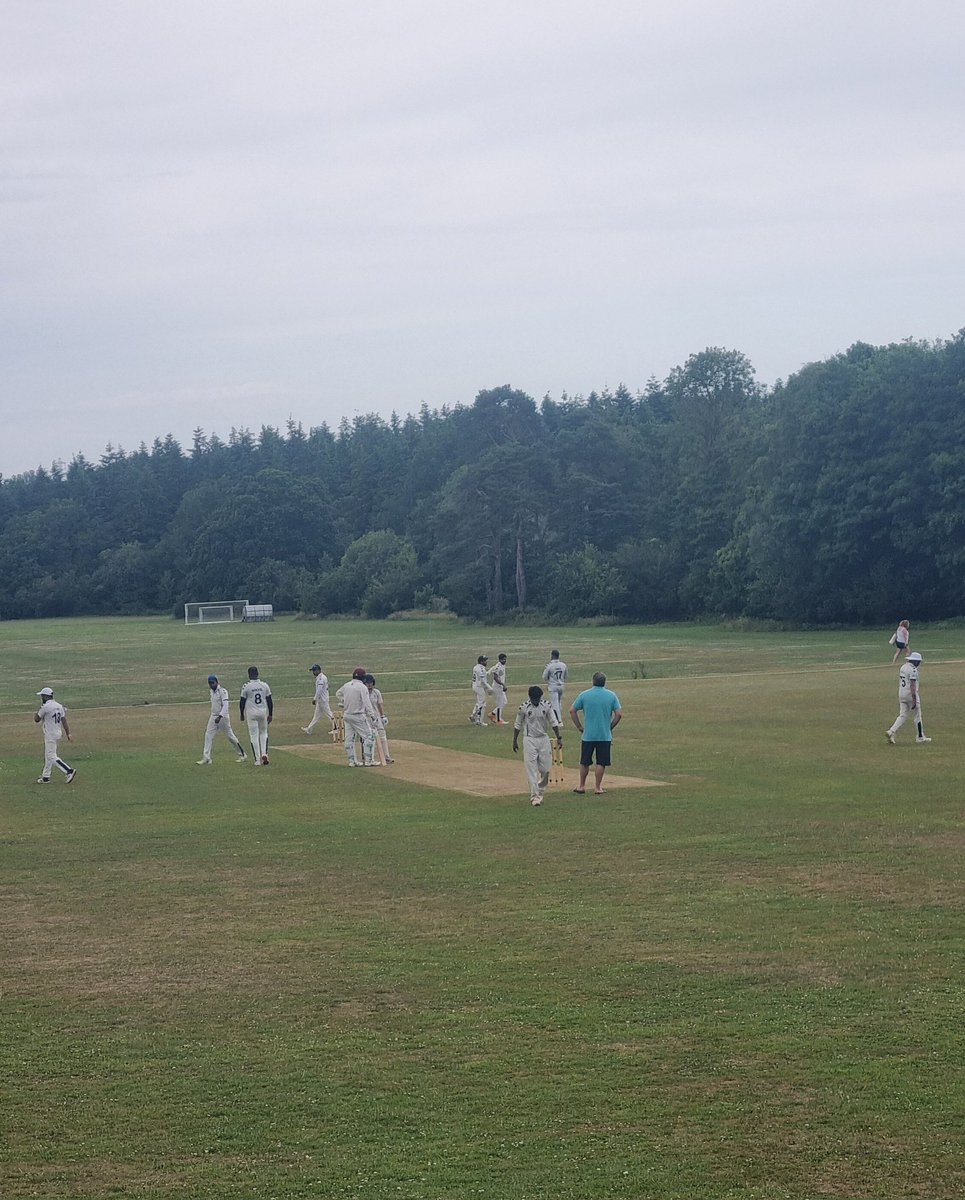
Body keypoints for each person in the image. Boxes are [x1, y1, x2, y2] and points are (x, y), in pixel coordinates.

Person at [569, 671, 622, 795]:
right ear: (604, 682)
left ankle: (581, 786)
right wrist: (610, 727)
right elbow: (619, 714)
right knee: (601, 762)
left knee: (585, 761)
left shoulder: (585, 695)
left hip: (588, 735)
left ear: (593, 681)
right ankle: (598, 787)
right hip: (604, 735)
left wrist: (579, 726)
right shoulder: (611, 695)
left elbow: (572, 710)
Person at [513, 684, 563, 806]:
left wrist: (558, 737)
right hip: (529, 740)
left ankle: (540, 790)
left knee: (546, 769)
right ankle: (534, 796)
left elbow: (553, 722)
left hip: (543, 739)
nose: (536, 701)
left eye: (538, 699)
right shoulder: (523, 708)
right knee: (531, 769)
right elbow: (518, 724)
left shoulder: (546, 705)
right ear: (530, 697)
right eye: (534, 699)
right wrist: (515, 740)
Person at [197, 674, 246, 764]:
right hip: (213, 716)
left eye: (213, 683)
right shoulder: (212, 692)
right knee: (208, 735)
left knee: (230, 736)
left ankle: (242, 754)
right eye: (210, 683)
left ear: (217, 682)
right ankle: (206, 757)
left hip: (223, 717)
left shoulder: (223, 691)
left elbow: (226, 705)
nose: (211, 685)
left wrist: (220, 716)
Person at [336, 667, 379, 766]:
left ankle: (352, 761)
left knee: (349, 739)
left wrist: (345, 701)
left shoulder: (346, 685)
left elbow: (338, 694)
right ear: (363, 678)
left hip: (347, 715)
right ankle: (369, 761)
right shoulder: (362, 687)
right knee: (370, 736)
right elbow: (366, 702)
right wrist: (372, 716)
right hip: (358, 716)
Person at [886, 651, 931, 744]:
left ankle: (891, 731)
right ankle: (920, 737)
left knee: (903, 715)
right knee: (917, 716)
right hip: (910, 694)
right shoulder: (913, 670)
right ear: (915, 661)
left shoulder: (903, 667)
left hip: (901, 694)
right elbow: (913, 685)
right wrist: (914, 698)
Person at [34, 686, 76, 784]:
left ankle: (69, 771)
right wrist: (68, 733)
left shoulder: (45, 707)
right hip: (58, 732)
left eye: (42, 696)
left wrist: (38, 710)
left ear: (45, 696)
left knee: (51, 755)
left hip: (50, 734)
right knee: (48, 755)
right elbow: (64, 720)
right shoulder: (59, 705)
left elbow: (36, 719)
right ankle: (46, 776)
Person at [239, 666, 273, 765]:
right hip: (262, 712)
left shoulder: (246, 686)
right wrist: (270, 714)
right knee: (264, 733)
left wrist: (241, 713)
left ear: (249, 675)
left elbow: (242, 701)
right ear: (258, 673)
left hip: (251, 713)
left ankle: (258, 760)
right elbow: (269, 701)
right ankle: (264, 753)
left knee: (254, 735)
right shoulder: (264, 685)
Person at [364, 673, 394, 763]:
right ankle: (368, 758)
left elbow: (379, 705)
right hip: (366, 718)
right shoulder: (362, 692)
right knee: (369, 738)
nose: (370, 685)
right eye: (368, 683)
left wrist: (382, 716)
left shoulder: (376, 692)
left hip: (376, 718)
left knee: (382, 736)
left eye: (371, 683)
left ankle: (386, 756)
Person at [302, 664, 335, 735]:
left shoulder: (321, 679)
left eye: (314, 671)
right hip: (321, 700)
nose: (313, 672)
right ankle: (309, 729)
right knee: (316, 716)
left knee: (329, 714)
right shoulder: (321, 678)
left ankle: (336, 728)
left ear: (318, 670)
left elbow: (319, 690)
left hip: (323, 700)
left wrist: (314, 699)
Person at [542, 649, 569, 723]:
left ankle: (559, 720)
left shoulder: (550, 666)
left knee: (555, 704)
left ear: (552, 655)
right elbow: (566, 676)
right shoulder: (563, 665)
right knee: (559, 702)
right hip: (561, 685)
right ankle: (559, 718)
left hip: (553, 686)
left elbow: (544, 677)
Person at [469, 655, 492, 726]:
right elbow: (483, 681)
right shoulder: (481, 669)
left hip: (475, 685)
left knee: (479, 702)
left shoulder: (475, 667)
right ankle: (479, 721)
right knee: (482, 704)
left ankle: (473, 715)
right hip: (479, 687)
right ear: (481, 661)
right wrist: (490, 688)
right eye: (485, 661)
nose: (486, 662)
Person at [489, 653, 508, 724]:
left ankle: (492, 714)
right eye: (503, 659)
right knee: (500, 703)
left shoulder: (502, 665)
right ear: (499, 660)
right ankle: (498, 720)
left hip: (501, 687)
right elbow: (495, 678)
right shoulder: (498, 667)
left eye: (505, 659)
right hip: (497, 687)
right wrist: (503, 684)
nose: (505, 661)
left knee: (504, 702)